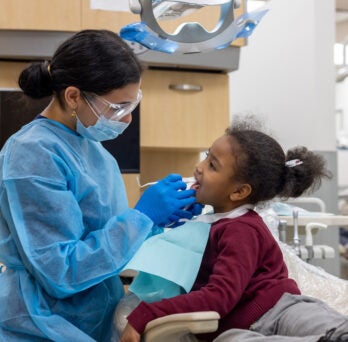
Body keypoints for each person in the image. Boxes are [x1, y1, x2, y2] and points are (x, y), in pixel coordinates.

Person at [0, 29, 202, 341]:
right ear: (73, 96)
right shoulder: (32, 154)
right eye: (117, 107)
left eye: (132, 105)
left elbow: (104, 241)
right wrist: (142, 217)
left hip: (92, 319)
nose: (127, 119)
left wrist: (157, 226)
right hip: (42, 326)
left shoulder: (94, 150)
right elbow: (60, 271)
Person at [120, 117, 348, 342]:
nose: (198, 168)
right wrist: (156, 226)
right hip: (239, 328)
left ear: (239, 192)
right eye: (206, 156)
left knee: (329, 329)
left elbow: (218, 297)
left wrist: (147, 314)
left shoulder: (242, 229)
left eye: (212, 165)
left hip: (282, 310)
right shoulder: (211, 223)